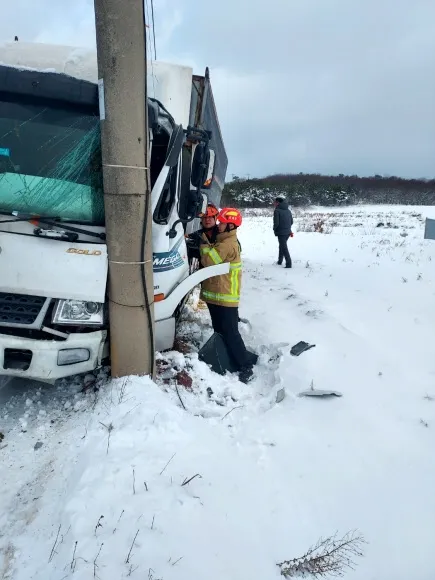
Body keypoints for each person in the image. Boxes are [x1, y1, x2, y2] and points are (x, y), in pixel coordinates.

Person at [199, 207, 258, 384]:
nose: (218, 225)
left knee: (231, 333)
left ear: (230, 225)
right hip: (218, 295)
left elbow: (208, 261)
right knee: (220, 331)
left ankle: (246, 365)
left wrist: (202, 243)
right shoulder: (223, 240)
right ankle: (228, 358)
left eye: (222, 223)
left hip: (225, 297)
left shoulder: (227, 244)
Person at [273, 196, 293, 268]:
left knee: (284, 248)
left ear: (278, 203)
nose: (274, 203)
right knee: (282, 246)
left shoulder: (277, 211)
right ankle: (279, 261)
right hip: (287, 232)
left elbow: (276, 223)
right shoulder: (288, 210)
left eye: (275, 202)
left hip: (281, 232)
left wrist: (275, 229)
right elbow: (291, 222)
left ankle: (288, 264)